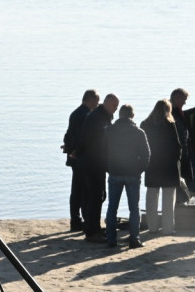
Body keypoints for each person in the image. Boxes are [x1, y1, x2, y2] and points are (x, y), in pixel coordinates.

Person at [104, 104, 150, 249]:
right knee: (134, 208)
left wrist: (108, 168)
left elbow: (102, 151)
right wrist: (139, 170)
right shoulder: (138, 132)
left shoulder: (109, 130)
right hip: (132, 174)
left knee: (112, 207)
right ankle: (134, 239)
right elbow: (146, 154)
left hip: (115, 172)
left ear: (119, 115)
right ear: (132, 116)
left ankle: (111, 239)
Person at [76, 93, 118, 243]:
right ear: (106, 103)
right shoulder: (97, 118)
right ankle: (92, 231)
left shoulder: (101, 117)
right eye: (114, 106)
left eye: (117, 106)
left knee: (95, 196)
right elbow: (88, 139)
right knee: (95, 196)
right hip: (93, 163)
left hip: (94, 162)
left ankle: (93, 228)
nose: (115, 109)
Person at [140, 99, 182, 234]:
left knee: (152, 196)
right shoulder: (170, 124)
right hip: (169, 166)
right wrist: (177, 160)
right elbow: (177, 146)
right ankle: (168, 228)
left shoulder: (145, 124)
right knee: (169, 199)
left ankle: (152, 227)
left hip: (152, 165)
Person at [62, 89, 100, 232]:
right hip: (81, 158)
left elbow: (69, 134)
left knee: (76, 190)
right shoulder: (87, 115)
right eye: (97, 100)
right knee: (83, 190)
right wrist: (75, 151)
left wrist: (68, 147)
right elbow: (82, 137)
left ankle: (75, 219)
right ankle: (82, 220)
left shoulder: (75, 113)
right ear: (90, 99)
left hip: (74, 156)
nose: (98, 103)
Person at [169, 87, 192, 195]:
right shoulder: (170, 113)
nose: (185, 103)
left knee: (184, 182)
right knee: (178, 184)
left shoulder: (178, 112)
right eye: (184, 100)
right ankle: (178, 207)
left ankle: (182, 205)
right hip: (177, 155)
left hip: (183, 153)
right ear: (177, 98)